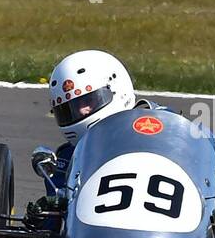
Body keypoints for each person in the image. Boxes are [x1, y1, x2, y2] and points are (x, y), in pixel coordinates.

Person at [41, 49, 162, 190]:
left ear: (117, 90)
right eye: (69, 109)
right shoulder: (67, 158)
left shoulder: (159, 125)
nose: (81, 110)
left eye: (88, 101)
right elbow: (56, 201)